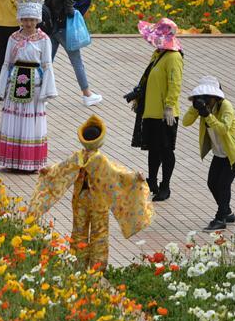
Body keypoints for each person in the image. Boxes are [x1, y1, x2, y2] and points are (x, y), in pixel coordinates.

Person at [30, 115, 153, 269]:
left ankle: (77, 265)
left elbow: (62, 168)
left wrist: (48, 170)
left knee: (79, 231)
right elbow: (117, 174)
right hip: (98, 201)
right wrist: (135, 177)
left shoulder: (78, 156)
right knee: (99, 233)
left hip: (80, 198)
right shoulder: (100, 159)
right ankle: (97, 268)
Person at [0, 0, 57, 172]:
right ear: (20, 20)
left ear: (37, 20)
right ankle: (13, 161)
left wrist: (47, 90)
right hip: (15, 81)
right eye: (25, 19)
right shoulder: (13, 38)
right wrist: (2, 88)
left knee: (32, 120)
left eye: (32, 19)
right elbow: (7, 63)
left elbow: (47, 65)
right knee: (15, 118)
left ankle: (30, 162)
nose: (28, 23)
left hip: (35, 84)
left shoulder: (44, 39)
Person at [181, 76, 235, 231]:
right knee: (212, 183)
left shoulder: (226, 106)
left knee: (223, 184)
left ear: (215, 97)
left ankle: (220, 219)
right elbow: (185, 122)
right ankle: (227, 212)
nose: (205, 100)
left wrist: (208, 115)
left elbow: (223, 129)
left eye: (207, 97)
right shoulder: (203, 107)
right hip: (219, 153)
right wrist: (195, 108)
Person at [128, 17, 184, 202]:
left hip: (165, 114)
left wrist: (169, 106)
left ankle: (165, 186)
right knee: (153, 149)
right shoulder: (159, 54)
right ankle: (152, 181)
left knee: (166, 150)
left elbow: (174, 84)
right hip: (151, 111)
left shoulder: (174, 57)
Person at [44, 0, 102, 107]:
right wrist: (78, 7)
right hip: (65, 29)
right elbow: (69, 11)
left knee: (47, 62)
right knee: (77, 62)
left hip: (51, 28)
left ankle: (41, 95)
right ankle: (87, 94)